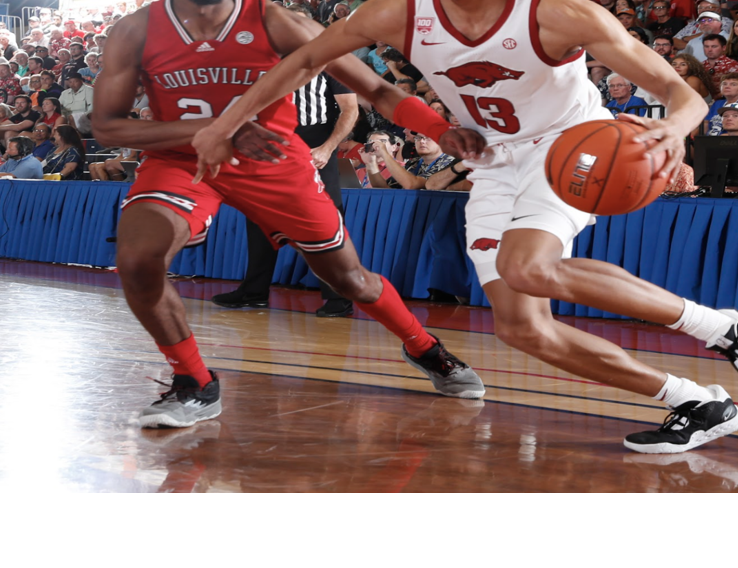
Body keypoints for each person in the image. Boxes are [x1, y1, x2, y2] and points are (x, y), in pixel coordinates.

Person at [196, 0, 738, 453]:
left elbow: (681, 92)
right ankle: (694, 401)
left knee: (528, 267)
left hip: (571, 151)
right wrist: (227, 122)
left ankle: (729, 329)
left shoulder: (561, 15)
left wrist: (672, 130)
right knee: (522, 329)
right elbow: (304, 59)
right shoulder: (397, 13)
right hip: (491, 159)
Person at [93, 0, 486, 428]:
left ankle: (424, 346)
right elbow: (108, 127)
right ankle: (195, 383)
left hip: (273, 160)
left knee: (348, 279)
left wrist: (439, 129)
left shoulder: (276, 21)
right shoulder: (136, 29)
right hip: (182, 161)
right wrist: (221, 129)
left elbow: (376, 89)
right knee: (137, 259)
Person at [213, 71, 360, 315]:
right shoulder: (266, 63)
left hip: (316, 141)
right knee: (259, 216)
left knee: (326, 218)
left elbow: (350, 110)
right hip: (272, 140)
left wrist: (327, 148)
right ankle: (254, 291)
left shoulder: (330, 64)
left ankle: (339, 298)